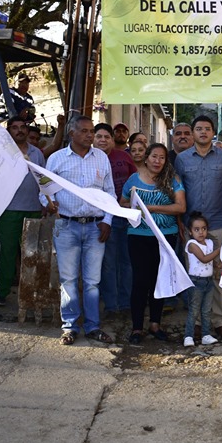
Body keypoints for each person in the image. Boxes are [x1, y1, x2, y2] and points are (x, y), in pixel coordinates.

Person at [45, 115, 116, 345]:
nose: (89, 135)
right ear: (71, 133)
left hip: (96, 227)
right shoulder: (56, 159)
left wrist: (107, 220)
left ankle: (93, 326)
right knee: (68, 279)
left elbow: (110, 193)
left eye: (91, 131)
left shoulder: (102, 158)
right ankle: (70, 327)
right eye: (84, 131)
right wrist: (47, 201)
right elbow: (45, 190)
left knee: (92, 281)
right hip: (66, 226)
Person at [173, 115, 222, 339]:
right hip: (191, 226)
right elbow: (177, 191)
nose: (202, 132)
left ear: (213, 133)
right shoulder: (181, 160)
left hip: (218, 222)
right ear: (192, 133)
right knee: (195, 274)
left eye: (207, 129)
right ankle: (197, 321)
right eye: (198, 129)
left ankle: (219, 320)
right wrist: (180, 221)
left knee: (218, 272)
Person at [120, 143, 185, 344]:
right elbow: (122, 203)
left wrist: (151, 208)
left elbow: (181, 207)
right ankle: (137, 327)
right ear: (146, 158)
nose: (158, 161)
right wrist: (134, 208)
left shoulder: (172, 180)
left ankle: (155, 324)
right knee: (140, 281)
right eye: (154, 156)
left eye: (162, 158)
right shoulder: (133, 179)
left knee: (159, 280)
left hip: (165, 236)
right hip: (138, 236)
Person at [0, 116, 47, 306]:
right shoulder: (1, 153)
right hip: (8, 210)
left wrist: (47, 201)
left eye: (22, 127)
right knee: (6, 253)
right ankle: (2, 292)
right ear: (8, 131)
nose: (19, 130)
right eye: (14, 127)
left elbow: (43, 180)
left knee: (32, 254)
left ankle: (31, 292)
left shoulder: (37, 153)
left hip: (33, 209)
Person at [94, 123, 137, 314]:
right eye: (99, 136)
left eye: (107, 137)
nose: (103, 140)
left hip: (125, 216)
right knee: (108, 263)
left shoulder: (124, 157)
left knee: (126, 262)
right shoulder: (91, 159)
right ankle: (111, 305)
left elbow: (134, 184)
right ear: (93, 139)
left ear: (112, 139)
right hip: (102, 217)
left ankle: (126, 303)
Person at [184, 212, 220, 347]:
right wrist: (220, 250)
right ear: (190, 231)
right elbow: (204, 259)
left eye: (204, 229)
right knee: (194, 310)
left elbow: (211, 261)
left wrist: (218, 264)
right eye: (196, 229)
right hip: (196, 281)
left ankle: (206, 334)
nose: (201, 232)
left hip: (209, 281)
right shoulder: (191, 244)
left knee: (206, 310)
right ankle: (188, 336)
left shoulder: (210, 243)